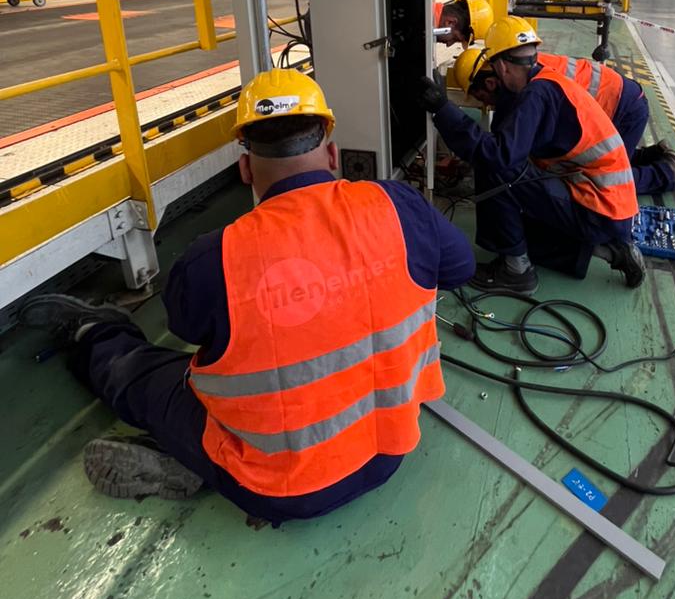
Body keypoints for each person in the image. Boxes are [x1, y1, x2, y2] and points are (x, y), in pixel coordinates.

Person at [21, 68, 475, 522]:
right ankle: (197, 462)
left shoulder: (213, 258)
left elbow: (187, 328)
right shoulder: (398, 205)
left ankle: (92, 332)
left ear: (244, 170)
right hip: (390, 452)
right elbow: (460, 267)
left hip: (277, 487)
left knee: (149, 375)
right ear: (333, 154)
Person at [419, 17, 645, 295]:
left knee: (499, 172)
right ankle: (610, 252)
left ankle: (516, 272)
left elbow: (499, 157)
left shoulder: (537, 95)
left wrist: (443, 110)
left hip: (599, 206)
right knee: (514, 225)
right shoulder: (546, 82)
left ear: (502, 67)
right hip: (608, 206)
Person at [535, 50, 675, 193]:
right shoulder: (530, 62)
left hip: (623, 113)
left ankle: (669, 171)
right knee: (580, 160)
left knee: (598, 185)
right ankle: (652, 155)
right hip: (623, 100)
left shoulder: (531, 85)